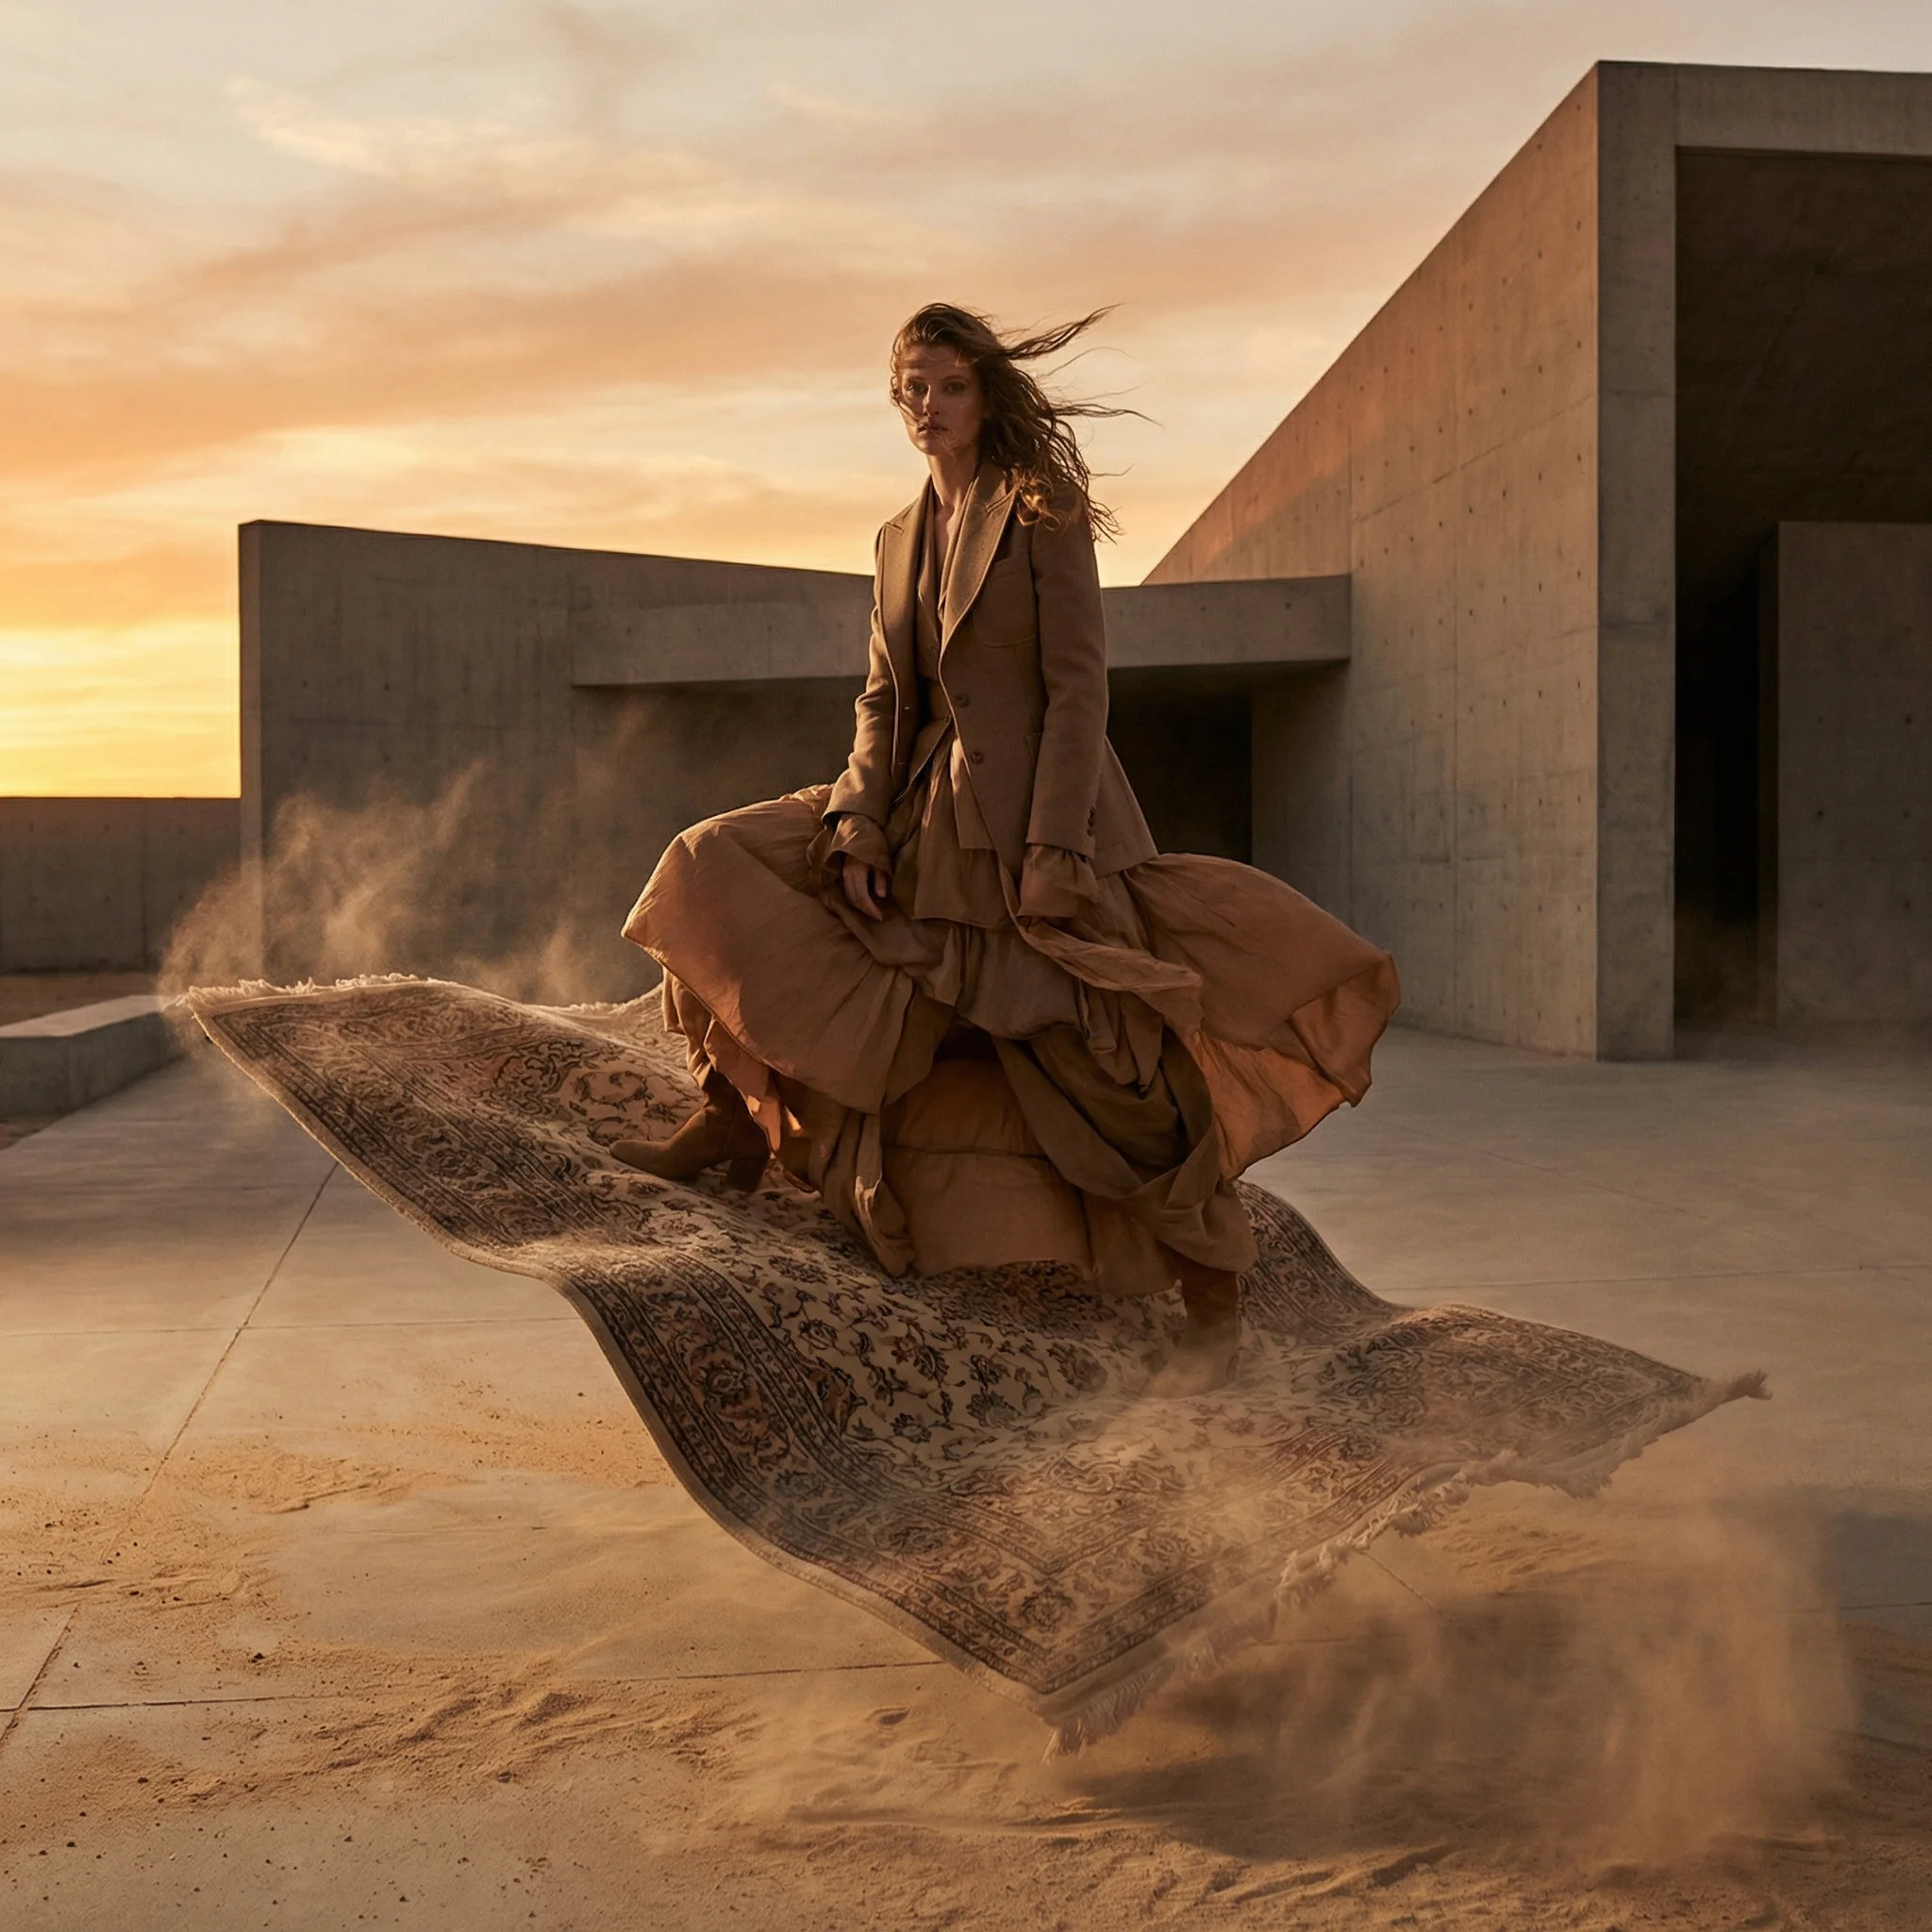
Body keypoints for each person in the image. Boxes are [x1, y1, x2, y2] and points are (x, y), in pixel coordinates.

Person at [616, 304, 1399, 1393]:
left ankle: (1212, 1291)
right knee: (713, 865)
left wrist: (1053, 851)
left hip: (1037, 829)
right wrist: (850, 823)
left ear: (984, 395)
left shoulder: (1040, 510)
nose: (924, 409)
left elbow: (1078, 692)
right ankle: (732, 1122)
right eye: (909, 390)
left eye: (944, 387)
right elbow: (885, 701)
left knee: (1103, 1065)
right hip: (916, 818)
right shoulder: (895, 538)